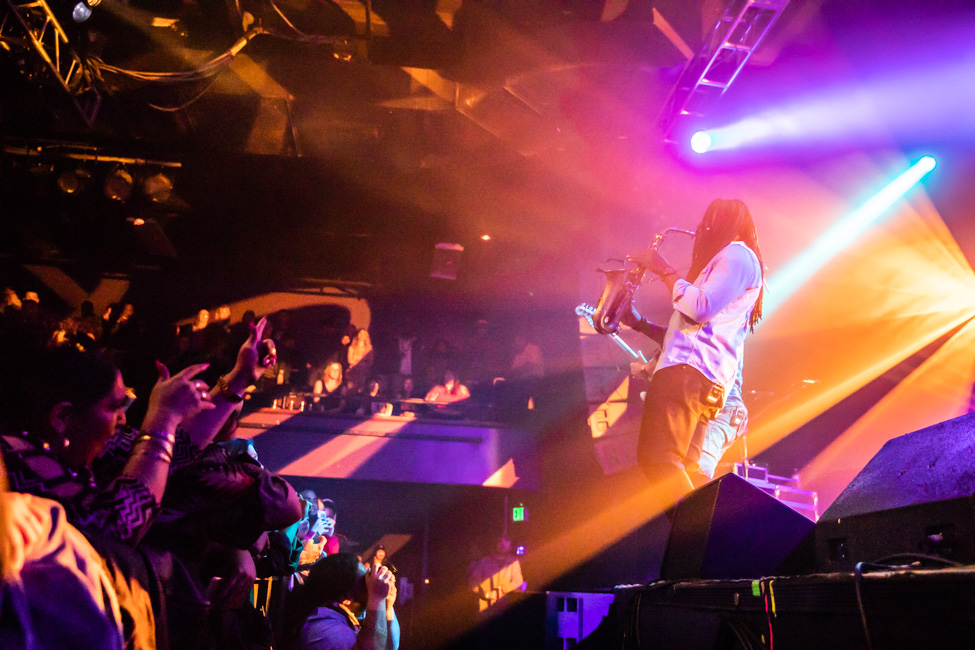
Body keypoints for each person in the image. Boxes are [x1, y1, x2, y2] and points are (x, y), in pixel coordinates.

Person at [625, 198, 764, 504]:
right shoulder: (733, 259)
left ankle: (703, 544)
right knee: (687, 472)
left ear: (729, 224)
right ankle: (700, 546)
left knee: (658, 459)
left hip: (689, 374)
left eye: (710, 222)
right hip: (700, 380)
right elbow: (693, 328)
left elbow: (698, 308)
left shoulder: (737, 255)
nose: (702, 229)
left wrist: (664, 270)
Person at [289, 552, 398, 650]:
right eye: (363, 581)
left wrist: (387, 607)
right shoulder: (323, 626)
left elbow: (388, 647)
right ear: (345, 597)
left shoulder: (343, 619)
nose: (370, 584)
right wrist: (377, 599)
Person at [468, 536, 525, 615]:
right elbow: (473, 582)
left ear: (510, 546)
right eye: (500, 541)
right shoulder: (484, 561)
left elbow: (518, 582)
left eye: (506, 542)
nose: (502, 545)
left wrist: (501, 590)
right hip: (485, 608)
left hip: (505, 607)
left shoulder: (514, 562)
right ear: (495, 544)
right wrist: (486, 594)